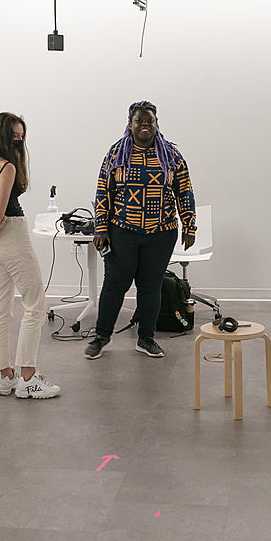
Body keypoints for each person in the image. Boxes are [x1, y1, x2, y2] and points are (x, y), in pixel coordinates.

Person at [85, 101, 196, 360]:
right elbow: (103, 190)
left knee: (151, 287)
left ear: (157, 124)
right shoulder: (116, 153)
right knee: (114, 286)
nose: (145, 125)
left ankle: (146, 338)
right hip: (122, 231)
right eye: (140, 121)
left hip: (161, 232)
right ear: (130, 124)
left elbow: (185, 191)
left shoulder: (171, 155)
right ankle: (102, 336)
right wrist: (101, 226)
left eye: (150, 121)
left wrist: (190, 225)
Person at [0, 113, 60, 399]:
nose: (18, 142)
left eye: (21, 137)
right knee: (36, 305)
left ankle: (5, 377)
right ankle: (28, 379)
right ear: (1, 135)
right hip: (11, 238)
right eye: (14, 137)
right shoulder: (5, 167)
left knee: (1, 308)